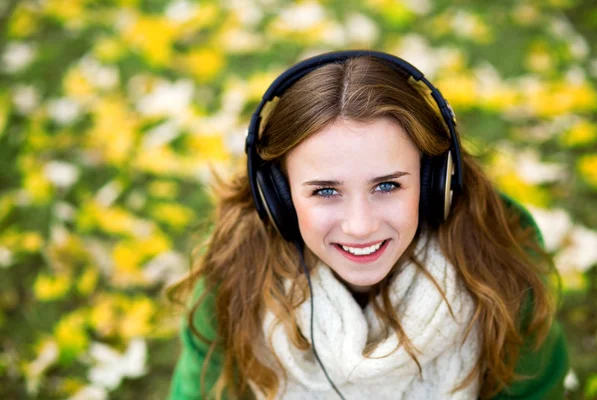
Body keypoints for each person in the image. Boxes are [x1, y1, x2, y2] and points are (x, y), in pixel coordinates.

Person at [167, 51, 568, 400]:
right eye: (325, 191)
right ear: (277, 197)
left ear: (435, 182)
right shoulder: (234, 271)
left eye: (388, 185)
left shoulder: (498, 263)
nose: (360, 226)